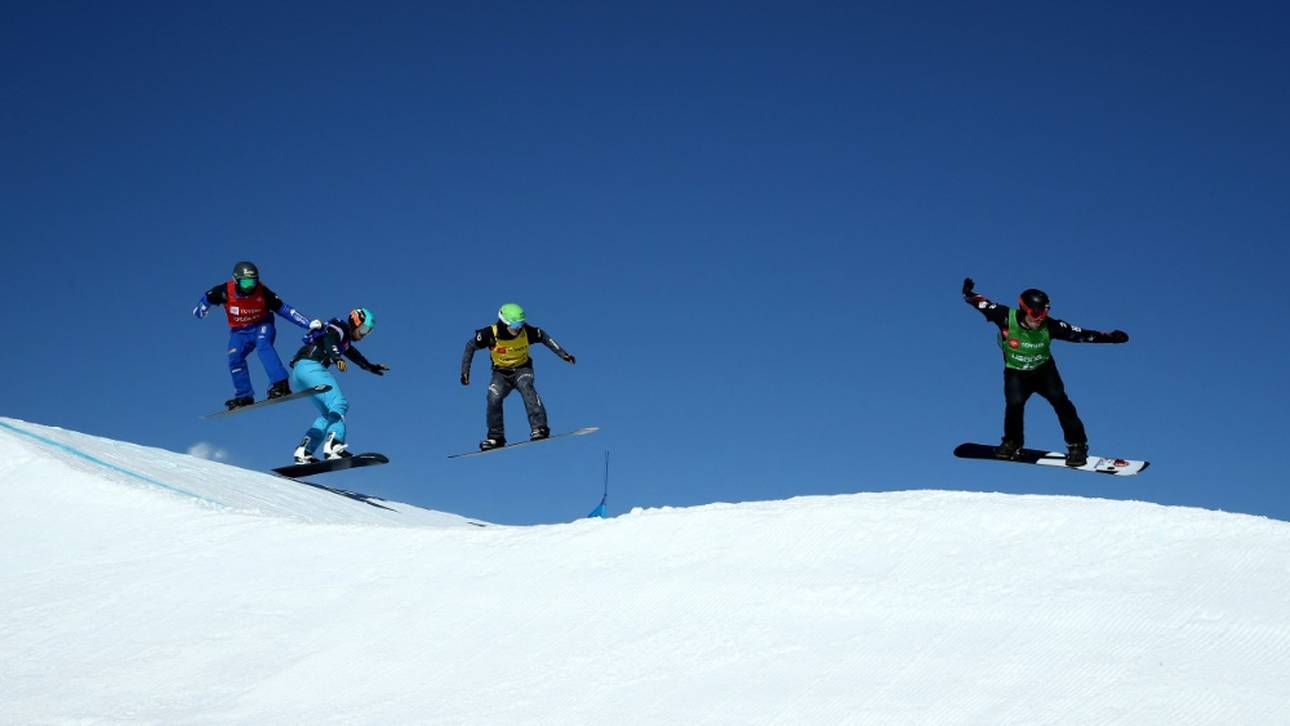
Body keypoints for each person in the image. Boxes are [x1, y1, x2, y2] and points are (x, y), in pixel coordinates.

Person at [962, 277, 1129, 466]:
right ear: (1025, 309)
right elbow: (981, 303)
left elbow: (1082, 335)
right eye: (1036, 314)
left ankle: (1077, 445)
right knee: (1014, 405)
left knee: (1061, 402)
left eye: (1044, 313)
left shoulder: (1051, 326)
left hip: (1044, 372)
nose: (1040, 318)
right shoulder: (1003, 316)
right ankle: (1012, 443)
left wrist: (1110, 337)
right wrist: (968, 293)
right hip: (1016, 373)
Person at [193, 261, 316, 410]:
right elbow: (208, 297)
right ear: (236, 280)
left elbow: (285, 309)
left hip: (262, 326)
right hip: (240, 332)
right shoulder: (224, 291)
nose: (250, 287)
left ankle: (280, 384)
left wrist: (308, 323)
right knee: (234, 357)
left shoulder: (262, 291)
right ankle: (244, 396)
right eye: (245, 283)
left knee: (264, 346)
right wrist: (202, 307)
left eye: (252, 282)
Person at [460, 303, 576, 450]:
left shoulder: (526, 331)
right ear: (504, 322)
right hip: (501, 373)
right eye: (514, 324)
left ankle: (540, 428)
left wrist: (564, 354)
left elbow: (544, 337)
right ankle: (496, 437)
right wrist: (465, 371)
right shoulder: (490, 334)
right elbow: (470, 346)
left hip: (522, 369)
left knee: (525, 386)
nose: (518, 327)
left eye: (521, 323)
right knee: (493, 396)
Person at [288, 308, 389, 463]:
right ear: (355, 322)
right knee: (339, 403)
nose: (363, 334)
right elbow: (330, 339)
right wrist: (336, 357)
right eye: (363, 329)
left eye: (368, 332)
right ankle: (334, 446)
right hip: (312, 367)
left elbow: (356, 356)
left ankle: (304, 450)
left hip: (299, 373)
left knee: (328, 414)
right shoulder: (339, 326)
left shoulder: (345, 340)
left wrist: (371, 366)